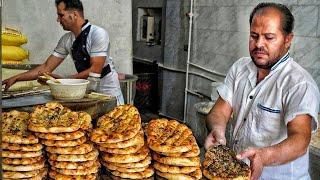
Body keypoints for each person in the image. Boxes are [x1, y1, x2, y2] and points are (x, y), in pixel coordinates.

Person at [204, 2, 319, 180]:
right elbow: (220, 110)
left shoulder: (298, 83)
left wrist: (264, 156)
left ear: (288, 40)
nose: (259, 44)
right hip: (237, 173)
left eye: (269, 37)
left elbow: (300, 140)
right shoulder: (240, 68)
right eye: (254, 36)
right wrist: (217, 129)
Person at [2, 0, 124, 105]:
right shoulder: (66, 40)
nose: (58, 19)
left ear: (74, 15)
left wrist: (64, 81)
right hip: (86, 92)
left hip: (108, 92)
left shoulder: (98, 34)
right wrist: (16, 78)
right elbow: (46, 67)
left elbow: (95, 70)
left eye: (61, 15)